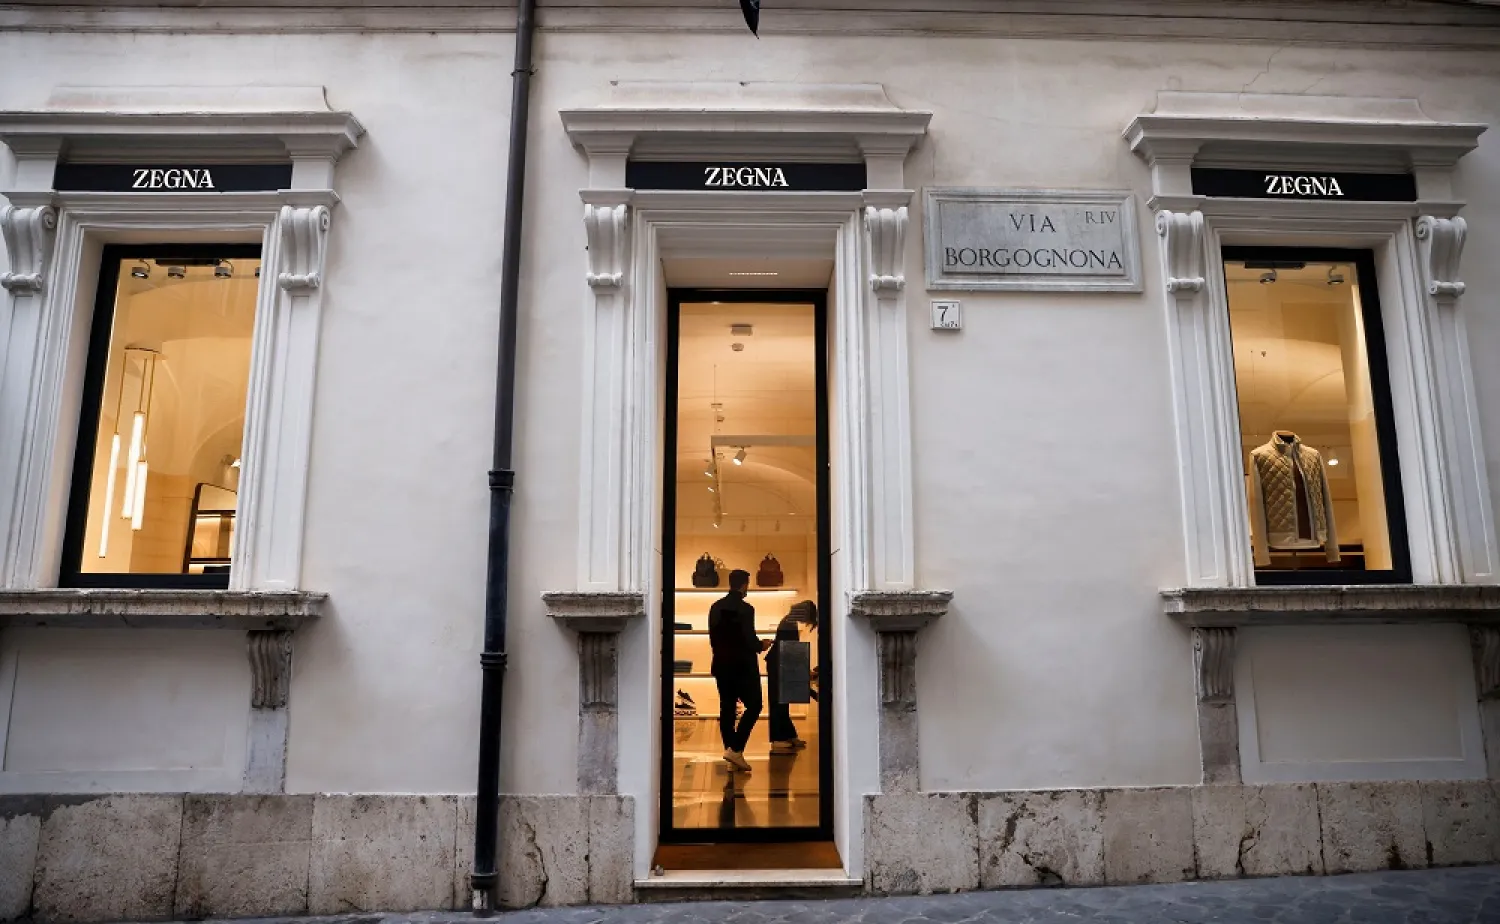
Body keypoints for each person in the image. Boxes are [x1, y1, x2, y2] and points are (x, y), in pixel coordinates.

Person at [708, 569, 769, 772]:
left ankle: (731, 753)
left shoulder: (716, 607)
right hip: (743, 666)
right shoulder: (746, 609)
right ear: (744, 585)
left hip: (721, 665)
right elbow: (748, 639)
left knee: (727, 709)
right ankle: (735, 749)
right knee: (755, 705)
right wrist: (761, 645)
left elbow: (714, 638)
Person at [764, 600, 817, 753]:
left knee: (781, 701)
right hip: (779, 663)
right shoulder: (789, 624)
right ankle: (778, 738)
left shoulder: (788, 622)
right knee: (778, 701)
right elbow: (791, 650)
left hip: (778, 662)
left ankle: (788, 735)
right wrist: (804, 671)